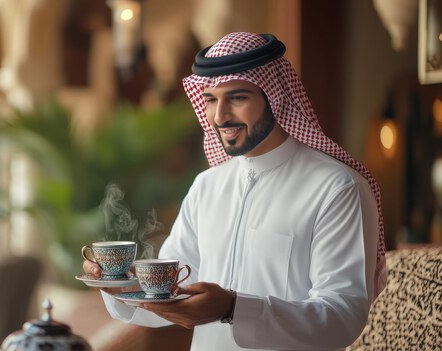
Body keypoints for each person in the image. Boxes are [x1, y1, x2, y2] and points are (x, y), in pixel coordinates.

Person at [83, 32, 387, 350]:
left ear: (276, 95)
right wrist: (119, 285)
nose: (219, 116)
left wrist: (233, 308)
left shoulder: (336, 188)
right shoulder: (207, 186)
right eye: (211, 99)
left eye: (237, 98)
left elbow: (342, 317)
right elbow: (172, 294)